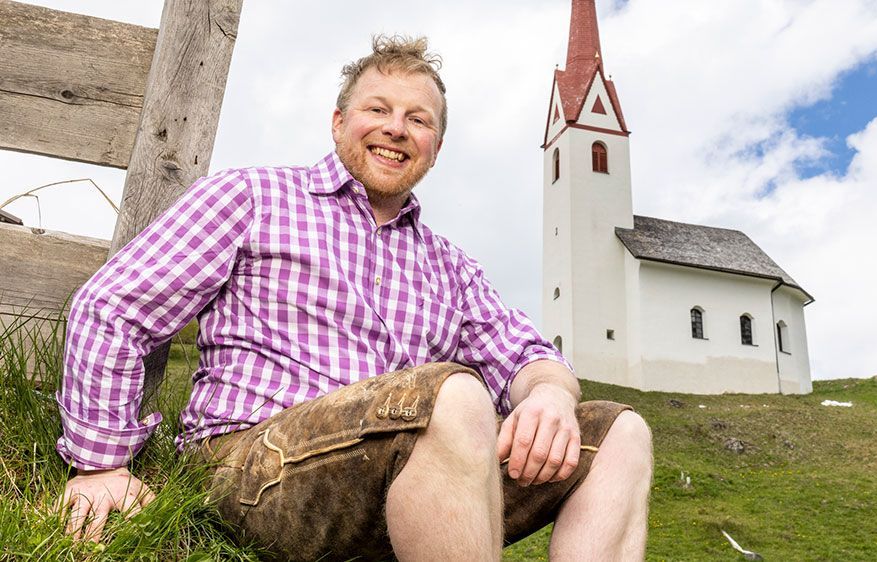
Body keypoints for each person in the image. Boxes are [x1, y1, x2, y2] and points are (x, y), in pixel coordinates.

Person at [56, 35, 652, 561]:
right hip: (252, 464)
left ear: (435, 149)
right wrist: (101, 462)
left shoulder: (450, 264)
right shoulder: (252, 197)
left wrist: (548, 393)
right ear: (338, 122)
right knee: (452, 393)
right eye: (378, 109)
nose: (397, 128)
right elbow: (114, 306)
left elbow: (526, 354)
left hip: (404, 476)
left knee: (619, 434)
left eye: (419, 120)